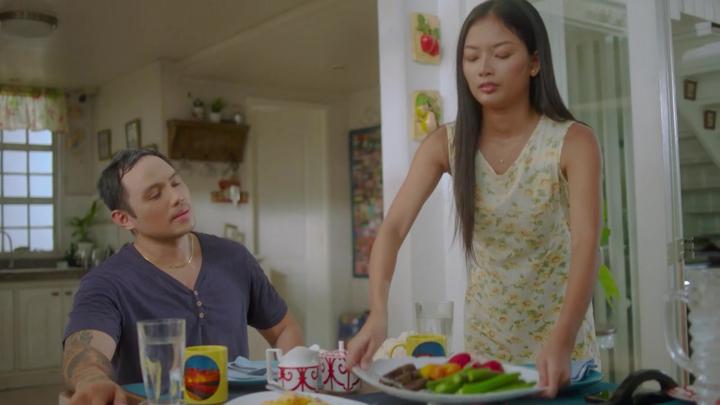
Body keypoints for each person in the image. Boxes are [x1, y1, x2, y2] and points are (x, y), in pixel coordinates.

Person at [347, 0, 602, 398]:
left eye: (501, 54)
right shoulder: (446, 144)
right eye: (471, 57)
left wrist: (564, 339)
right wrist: (378, 313)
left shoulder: (573, 141)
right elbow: (393, 228)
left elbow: (587, 244)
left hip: (563, 353)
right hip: (485, 357)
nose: (484, 68)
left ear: (534, 63)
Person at [62, 149, 303, 405]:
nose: (177, 197)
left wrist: (292, 392)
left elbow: (284, 328)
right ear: (124, 218)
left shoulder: (235, 258)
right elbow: (84, 351)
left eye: (176, 183)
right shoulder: (106, 282)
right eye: (155, 194)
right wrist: (91, 378)